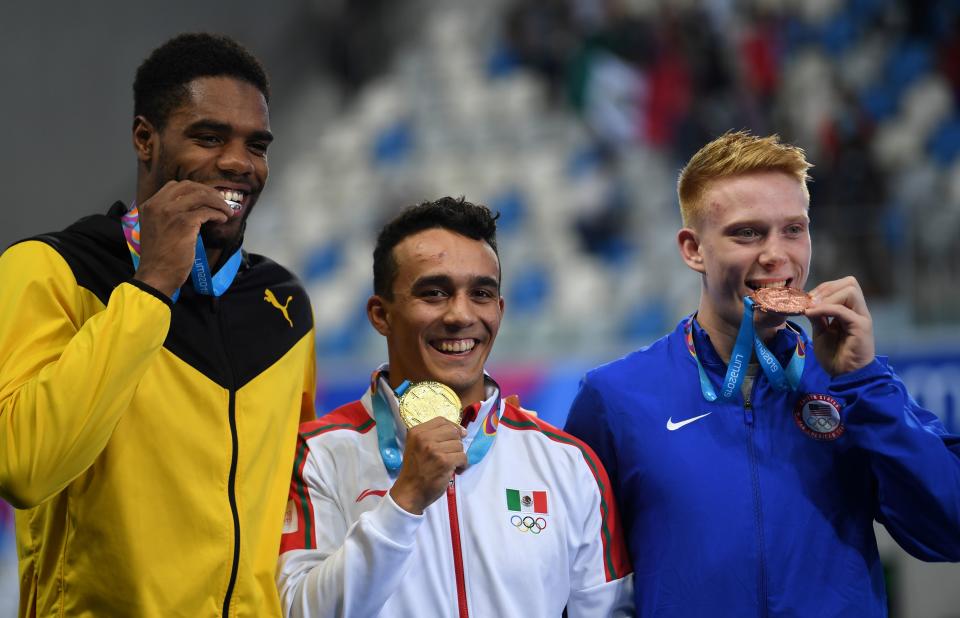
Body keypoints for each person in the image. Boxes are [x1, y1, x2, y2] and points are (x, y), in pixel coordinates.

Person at [564, 130, 960, 616]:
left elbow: (949, 529)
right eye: (747, 233)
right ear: (693, 249)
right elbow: (577, 579)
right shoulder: (615, 397)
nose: (777, 255)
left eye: (794, 229)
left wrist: (864, 383)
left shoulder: (855, 387)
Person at [0, 33, 316, 617]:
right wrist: (151, 290)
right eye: (209, 137)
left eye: (257, 145)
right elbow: (23, 466)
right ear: (145, 139)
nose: (239, 164)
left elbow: (297, 503)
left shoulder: (285, 307)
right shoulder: (50, 271)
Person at [277, 197, 634, 617]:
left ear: (499, 311)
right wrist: (404, 500)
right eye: (434, 293)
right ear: (380, 314)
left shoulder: (568, 463)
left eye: (481, 294)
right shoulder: (316, 454)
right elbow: (298, 611)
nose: (460, 315)